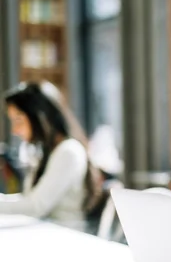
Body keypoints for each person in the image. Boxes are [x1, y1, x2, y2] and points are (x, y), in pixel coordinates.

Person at [0, 81, 102, 230]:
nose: (14, 130)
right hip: (47, 233)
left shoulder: (69, 151)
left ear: (40, 117)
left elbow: (36, 206)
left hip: (65, 238)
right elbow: (30, 200)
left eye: (18, 120)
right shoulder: (49, 152)